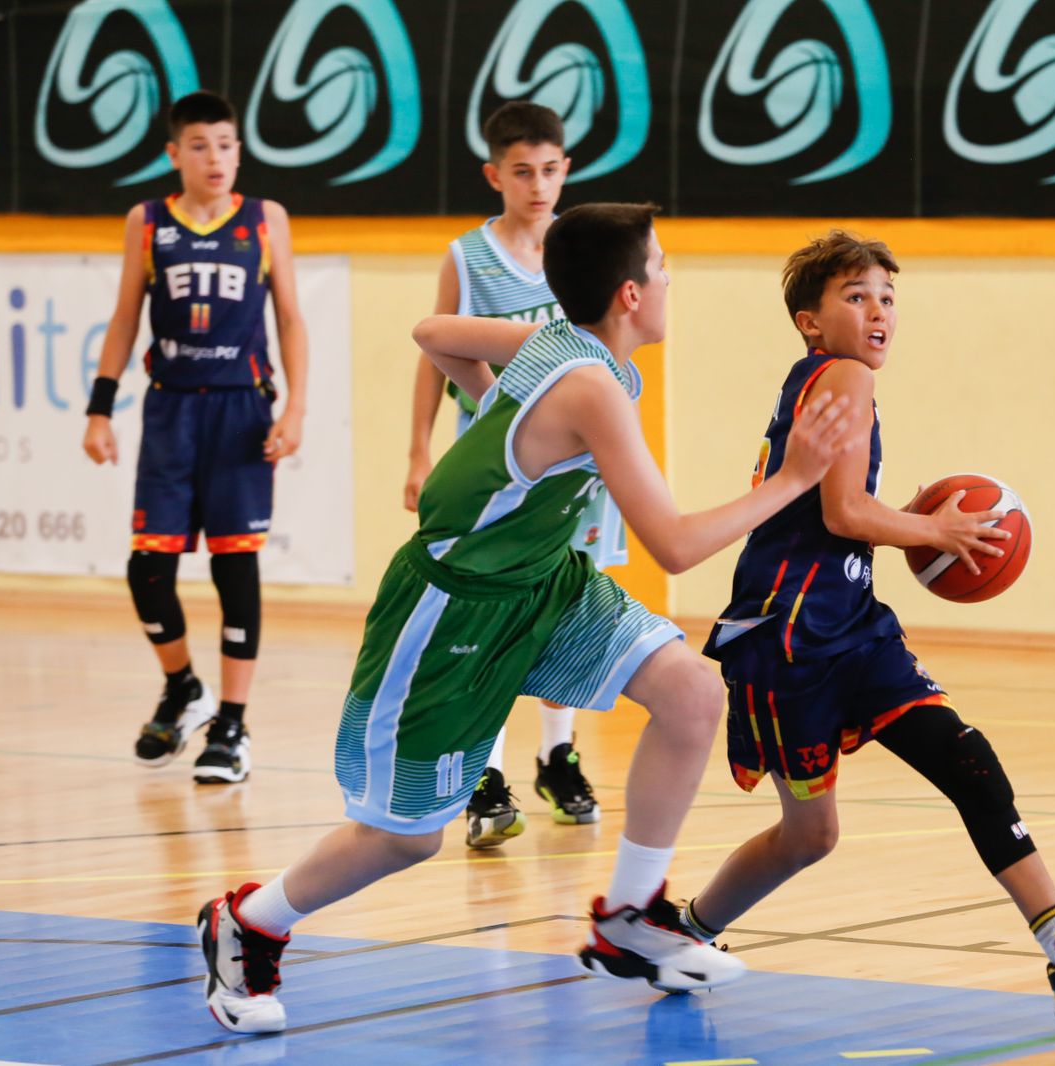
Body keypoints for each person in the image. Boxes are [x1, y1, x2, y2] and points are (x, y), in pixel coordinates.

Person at [195, 203, 857, 1033]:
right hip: (453, 606)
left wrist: (507, 427)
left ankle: (628, 916)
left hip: (543, 581)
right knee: (405, 838)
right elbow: (678, 546)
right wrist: (795, 477)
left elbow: (434, 332)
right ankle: (250, 922)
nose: (668, 284)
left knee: (690, 694)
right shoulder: (586, 384)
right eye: (661, 271)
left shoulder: (567, 348)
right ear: (628, 294)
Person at [680, 232, 1055, 1021]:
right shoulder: (842, 375)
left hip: (849, 624)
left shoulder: (826, 378)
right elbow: (844, 513)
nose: (878, 310)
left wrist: (903, 520)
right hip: (790, 637)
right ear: (811, 321)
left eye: (888, 296)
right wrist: (934, 533)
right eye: (856, 296)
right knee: (810, 835)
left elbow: (832, 510)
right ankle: (684, 930)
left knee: (962, 756)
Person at [81, 90, 309, 785]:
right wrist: (99, 407)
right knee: (147, 570)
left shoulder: (264, 221)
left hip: (242, 414)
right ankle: (182, 686)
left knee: (233, 567)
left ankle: (232, 726)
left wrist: (296, 408)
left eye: (228, 145)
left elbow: (292, 320)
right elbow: (124, 319)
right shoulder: (148, 222)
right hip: (171, 412)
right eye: (202, 145)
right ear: (174, 153)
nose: (217, 158)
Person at [402, 101, 603, 848]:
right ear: (495, 175)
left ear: (567, 169)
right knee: (486, 615)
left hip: (573, 465)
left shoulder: (584, 250)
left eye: (551, 170)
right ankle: (482, 771)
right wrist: (420, 454)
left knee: (562, 606)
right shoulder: (468, 257)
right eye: (523, 171)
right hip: (495, 465)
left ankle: (558, 756)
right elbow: (434, 355)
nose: (539, 185)